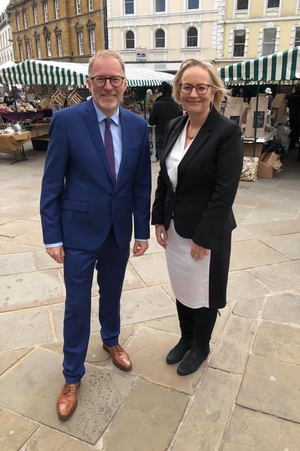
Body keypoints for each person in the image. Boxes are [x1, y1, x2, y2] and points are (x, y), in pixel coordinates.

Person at [40, 50, 151, 420]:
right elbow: (52, 182)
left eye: (114, 79)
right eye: (100, 79)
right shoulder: (67, 121)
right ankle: (72, 375)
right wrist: (52, 236)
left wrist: (142, 230)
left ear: (124, 83)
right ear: (89, 83)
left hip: (118, 231)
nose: (108, 86)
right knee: (76, 304)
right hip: (78, 232)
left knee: (113, 293)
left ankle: (111, 340)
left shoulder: (137, 125)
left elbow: (140, 183)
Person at [151, 58, 243, 376]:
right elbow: (165, 176)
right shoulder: (176, 125)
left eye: (201, 87)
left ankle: (201, 345)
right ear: (178, 90)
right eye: (187, 86)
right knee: (182, 287)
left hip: (206, 232)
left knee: (203, 291)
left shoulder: (226, 132)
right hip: (176, 227)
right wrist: (159, 218)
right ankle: (185, 338)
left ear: (213, 91)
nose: (194, 93)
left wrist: (203, 238)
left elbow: (224, 192)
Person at [149, 83, 182, 161]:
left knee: (163, 162)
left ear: (162, 93)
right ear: (171, 93)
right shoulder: (177, 105)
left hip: (161, 138)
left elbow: (151, 122)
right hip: (175, 137)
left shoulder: (157, 105)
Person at [287, 84, 300, 157]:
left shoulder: (292, 96)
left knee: (293, 131)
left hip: (293, 117)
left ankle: (292, 144)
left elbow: (288, 105)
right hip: (299, 118)